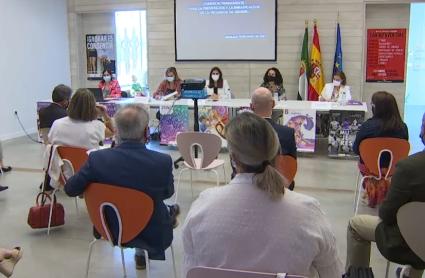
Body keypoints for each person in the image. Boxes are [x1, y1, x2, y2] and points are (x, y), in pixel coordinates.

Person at [182, 112, 343, 277]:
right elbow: (334, 273)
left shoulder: (202, 208)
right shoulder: (308, 213)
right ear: (277, 154)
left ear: (233, 157)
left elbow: (190, 271)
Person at [64, 104, 179, 269]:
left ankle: (166, 215)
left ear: (116, 131)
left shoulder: (97, 159)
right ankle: (166, 218)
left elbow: (70, 189)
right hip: (150, 231)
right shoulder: (162, 162)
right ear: (146, 131)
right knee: (156, 204)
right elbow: (168, 192)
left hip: (109, 228)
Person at [346, 113, 425, 278]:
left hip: (406, 242)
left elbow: (387, 213)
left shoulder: (409, 168)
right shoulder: (402, 128)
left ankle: (357, 274)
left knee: (356, 225)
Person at [353, 91, 408, 172]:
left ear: (375, 107)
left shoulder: (367, 126)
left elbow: (356, 149)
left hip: (369, 167)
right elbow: (403, 149)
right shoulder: (402, 127)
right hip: (395, 168)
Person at [251, 87, 297, 159]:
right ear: (273, 104)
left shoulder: (240, 132)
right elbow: (291, 165)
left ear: (251, 106)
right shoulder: (288, 133)